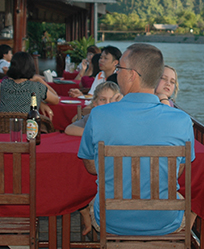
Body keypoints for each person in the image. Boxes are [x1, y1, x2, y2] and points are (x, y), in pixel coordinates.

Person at [78, 43, 195, 236]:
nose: (117, 72)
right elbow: (180, 168)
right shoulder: (181, 120)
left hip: (111, 220)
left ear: (132, 74)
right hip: (164, 220)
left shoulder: (98, 115)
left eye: (120, 68)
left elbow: (91, 167)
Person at [0, 51, 59, 118]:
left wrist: (40, 102)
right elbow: (56, 99)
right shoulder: (37, 87)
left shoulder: (4, 84)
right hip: (29, 127)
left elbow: (17, 98)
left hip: (5, 126)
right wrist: (40, 80)